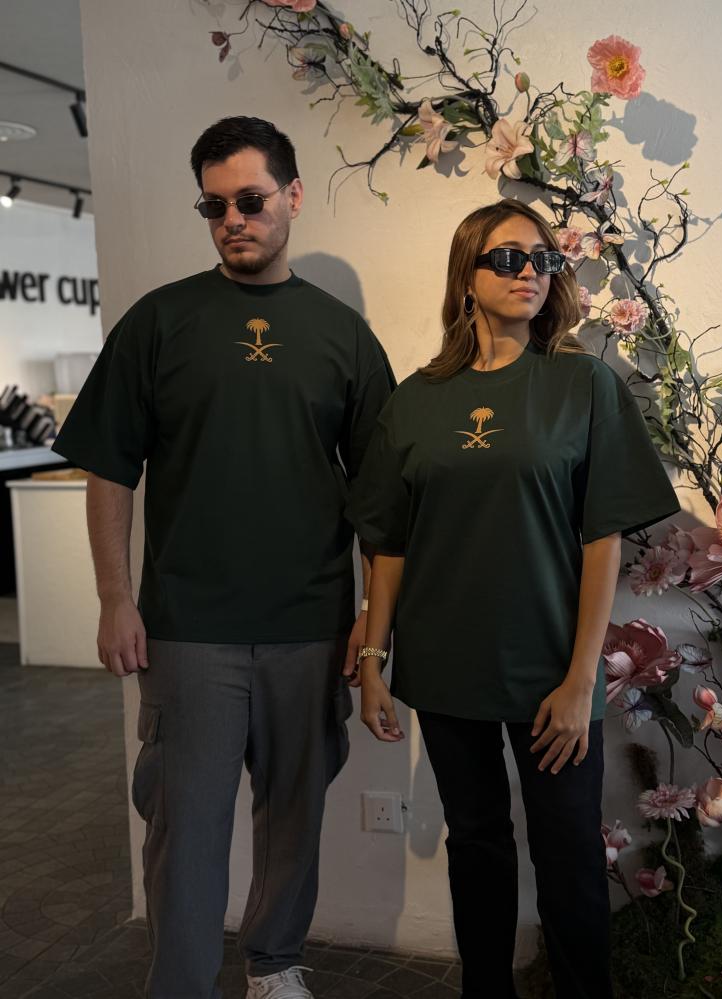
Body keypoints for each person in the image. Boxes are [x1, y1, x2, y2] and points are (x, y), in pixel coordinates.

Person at [52, 116, 395, 999]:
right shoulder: (160, 321)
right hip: (188, 626)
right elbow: (109, 466)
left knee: (293, 818)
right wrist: (114, 597)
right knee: (184, 823)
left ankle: (274, 965)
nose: (233, 219)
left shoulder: (345, 337)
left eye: (250, 199)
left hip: (309, 624)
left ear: (293, 195)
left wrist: (371, 621)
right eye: (214, 206)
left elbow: (380, 497)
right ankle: (181, 982)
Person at [344, 199, 680, 999]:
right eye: (507, 257)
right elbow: (388, 542)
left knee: (568, 851)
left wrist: (580, 678)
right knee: (477, 845)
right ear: (466, 276)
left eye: (543, 258)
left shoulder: (581, 383)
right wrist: (373, 658)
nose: (529, 271)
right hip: (445, 663)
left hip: (551, 668)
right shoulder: (415, 399)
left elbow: (602, 538)